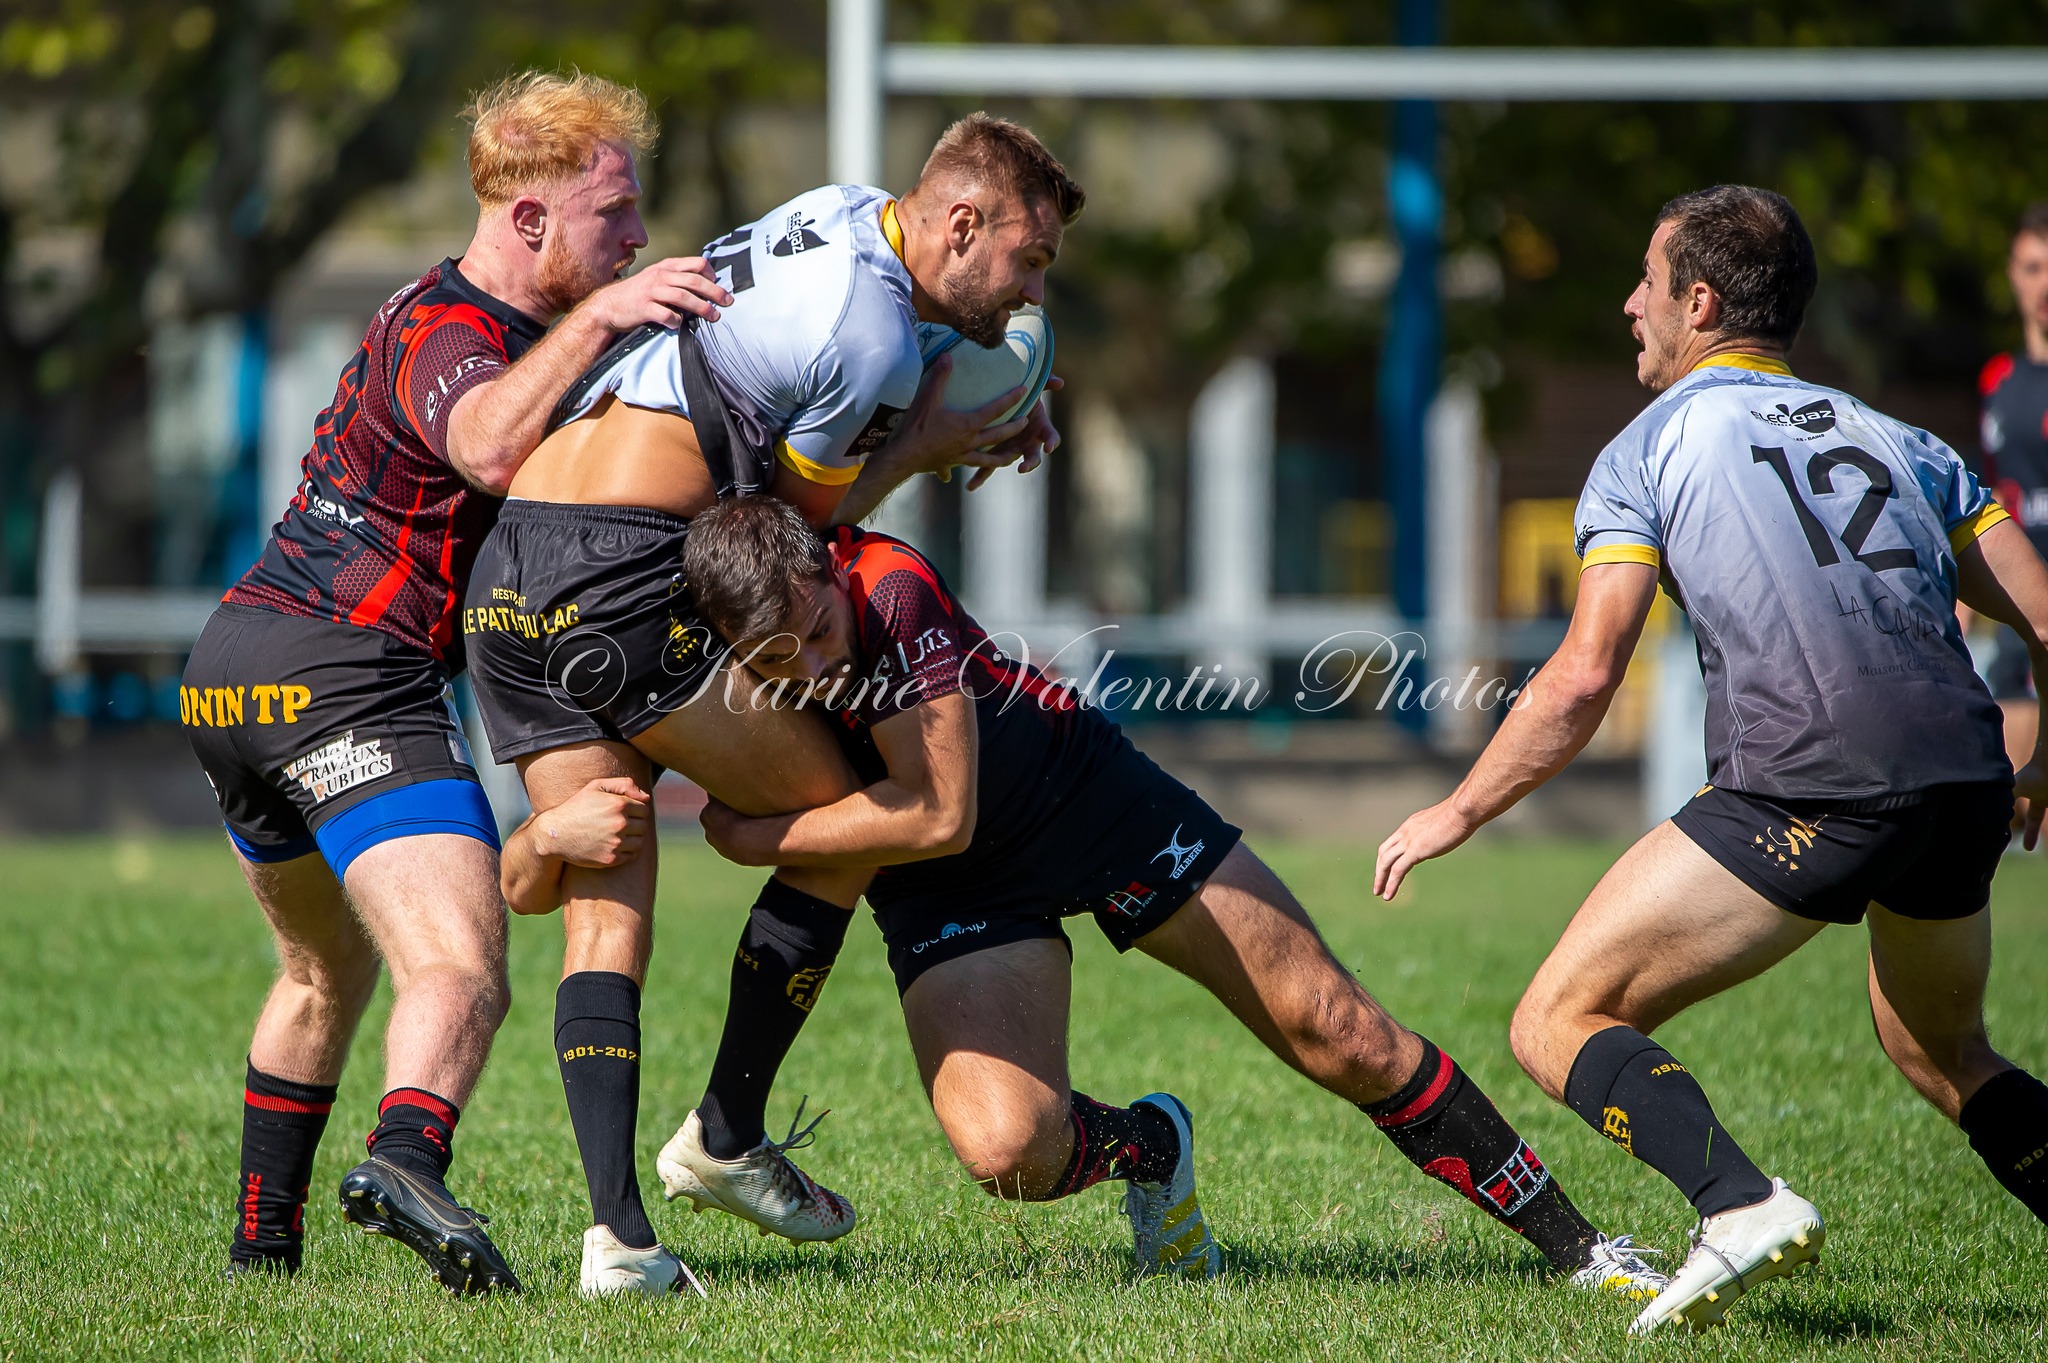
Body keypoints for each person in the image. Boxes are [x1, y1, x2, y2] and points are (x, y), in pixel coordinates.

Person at [651, 495, 1669, 1296]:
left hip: (1081, 799)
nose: (821, 669)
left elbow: (938, 812)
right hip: (946, 885)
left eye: (823, 633)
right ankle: (1155, 1146)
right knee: (1008, 1152)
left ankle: (1582, 1249)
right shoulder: (732, 635)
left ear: (827, 567)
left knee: (1338, 1030)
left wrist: (753, 835)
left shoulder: (890, 584)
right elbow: (936, 844)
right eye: (784, 664)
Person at [1374, 185, 2048, 1336]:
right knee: (1940, 1048)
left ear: (1697, 301)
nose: (1627, 303)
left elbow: (1585, 675)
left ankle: (1734, 1205)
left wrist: (1458, 808)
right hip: (1961, 781)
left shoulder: (1646, 449)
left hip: (1811, 787)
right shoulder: (1906, 441)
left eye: (1645, 280)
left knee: (1553, 1018)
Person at [469, 113, 1071, 1298]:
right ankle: (727, 1134)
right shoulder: (873, 340)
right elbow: (798, 539)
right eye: (1029, 259)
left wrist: (935, 406)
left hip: (512, 569)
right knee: (853, 821)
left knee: (607, 898)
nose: (1030, 286)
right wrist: (936, 442)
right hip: (621, 572)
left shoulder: (839, 210)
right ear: (961, 225)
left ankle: (619, 1245)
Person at [180, 71, 730, 1293]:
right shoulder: (450, 326)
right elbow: (485, 440)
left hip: (236, 679)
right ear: (529, 220)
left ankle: (261, 1256)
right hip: (340, 672)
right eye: (615, 214)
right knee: (460, 964)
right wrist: (606, 319)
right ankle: (407, 1159)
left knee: (325, 973)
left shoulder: (507, 328)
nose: (637, 238)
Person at [1973, 201, 2048, 770]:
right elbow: (1994, 495)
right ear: (2011, 274)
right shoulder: (1999, 380)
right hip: (2022, 601)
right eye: (2032, 267)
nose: (2044, 284)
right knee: (2015, 798)